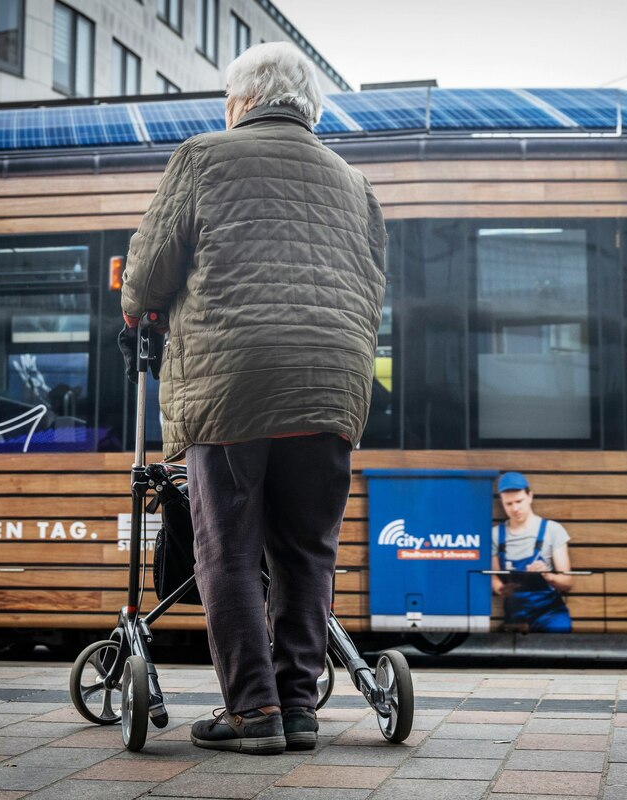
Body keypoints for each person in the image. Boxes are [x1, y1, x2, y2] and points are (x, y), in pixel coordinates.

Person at [119, 42, 386, 755]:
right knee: (307, 553)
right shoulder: (356, 182)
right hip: (331, 387)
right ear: (309, 107)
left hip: (232, 385)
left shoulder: (202, 157)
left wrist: (139, 311)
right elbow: (372, 293)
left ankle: (253, 710)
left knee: (228, 551)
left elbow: (148, 272)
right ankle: (298, 706)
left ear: (241, 101)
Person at [491, 472, 573, 632]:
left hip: (550, 614)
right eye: (508, 504)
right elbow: (493, 578)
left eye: (519, 501)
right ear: (502, 502)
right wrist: (501, 589)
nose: (515, 508)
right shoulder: (495, 535)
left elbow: (568, 583)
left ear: (530, 497)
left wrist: (547, 575)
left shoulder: (552, 530)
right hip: (516, 616)